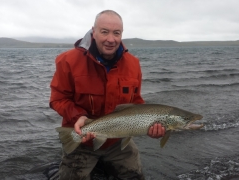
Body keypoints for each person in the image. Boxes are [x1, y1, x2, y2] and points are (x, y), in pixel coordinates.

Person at [50, 10, 165, 180]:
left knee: (135, 177)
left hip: (118, 140)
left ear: (121, 35)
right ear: (93, 32)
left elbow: (136, 101)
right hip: (82, 138)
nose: (111, 39)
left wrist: (150, 124)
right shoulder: (67, 60)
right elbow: (58, 99)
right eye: (104, 32)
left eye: (116, 33)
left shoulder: (133, 64)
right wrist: (78, 117)